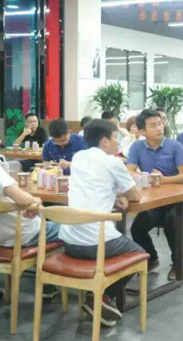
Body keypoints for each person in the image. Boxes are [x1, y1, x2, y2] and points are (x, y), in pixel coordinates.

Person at [61, 119, 144, 327]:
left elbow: (94, 187)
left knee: (115, 242)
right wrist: (121, 194)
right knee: (139, 255)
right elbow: (134, 195)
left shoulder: (78, 157)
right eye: (115, 137)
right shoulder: (113, 162)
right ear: (104, 141)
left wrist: (113, 196)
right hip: (95, 243)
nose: (118, 142)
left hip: (69, 241)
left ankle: (99, 298)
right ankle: (101, 297)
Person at [0, 113, 56, 248]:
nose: (0, 141)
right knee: (70, 229)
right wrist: (36, 201)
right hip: (25, 233)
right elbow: (22, 199)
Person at [127, 109, 183, 280]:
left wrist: (162, 180)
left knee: (172, 220)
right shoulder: (137, 147)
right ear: (142, 131)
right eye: (153, 125)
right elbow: (129, 170)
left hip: (179, 200)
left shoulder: (175, 146)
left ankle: (178, 263)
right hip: (155, 200)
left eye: (160, 124)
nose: (159, 128)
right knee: (137, 227)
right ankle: (152, 258)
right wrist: (139, 176)